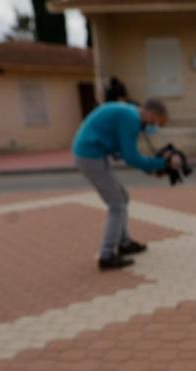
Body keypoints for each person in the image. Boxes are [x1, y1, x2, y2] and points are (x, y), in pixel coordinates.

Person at [72, 99, 178, 270]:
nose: (154, 126)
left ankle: (124, 243)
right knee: (117, 204)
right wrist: (162, 164)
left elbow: (123, 152)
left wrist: (152, 169)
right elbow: (131, 157)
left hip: (93, 154)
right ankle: (106, 256)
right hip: (90, 157)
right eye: (156, 122)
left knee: (122, 197)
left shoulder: (132, 113)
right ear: (152, 114)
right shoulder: (131, 119)